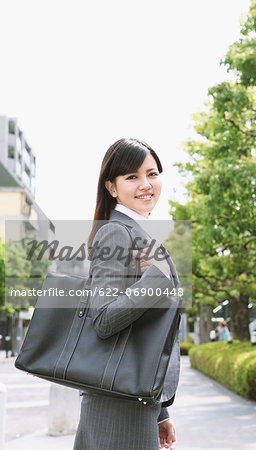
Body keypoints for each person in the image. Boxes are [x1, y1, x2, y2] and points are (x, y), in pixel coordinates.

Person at [73, 138, 181, 450]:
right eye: (132, 177)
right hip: (116, 407)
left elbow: (146, 332)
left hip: (134, 401)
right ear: (112, 187)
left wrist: (160, 412)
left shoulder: (141, 234)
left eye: (152, 174)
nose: (146, 185)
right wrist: (156, 282)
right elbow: (104, 319)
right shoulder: (115, 232)